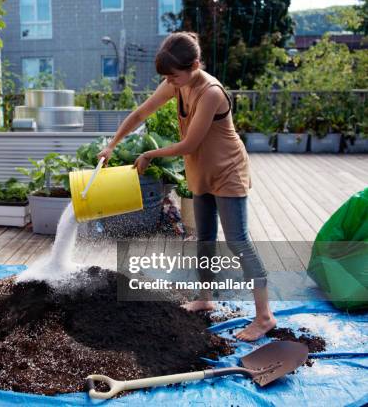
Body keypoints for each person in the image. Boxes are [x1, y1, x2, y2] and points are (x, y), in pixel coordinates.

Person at [97, 31, 276, 341]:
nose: (170, 81)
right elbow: (141, 112)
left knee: (237, 240)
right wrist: (112, 144)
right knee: (204, 238)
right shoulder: (176, 83)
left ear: (194, 64)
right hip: (200, 169)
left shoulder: (211, 93)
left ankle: (264, 316)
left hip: (227, 170)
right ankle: (205, 297)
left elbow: (189, 142)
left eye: (174, 75)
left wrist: (150, 154)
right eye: (166, 76)